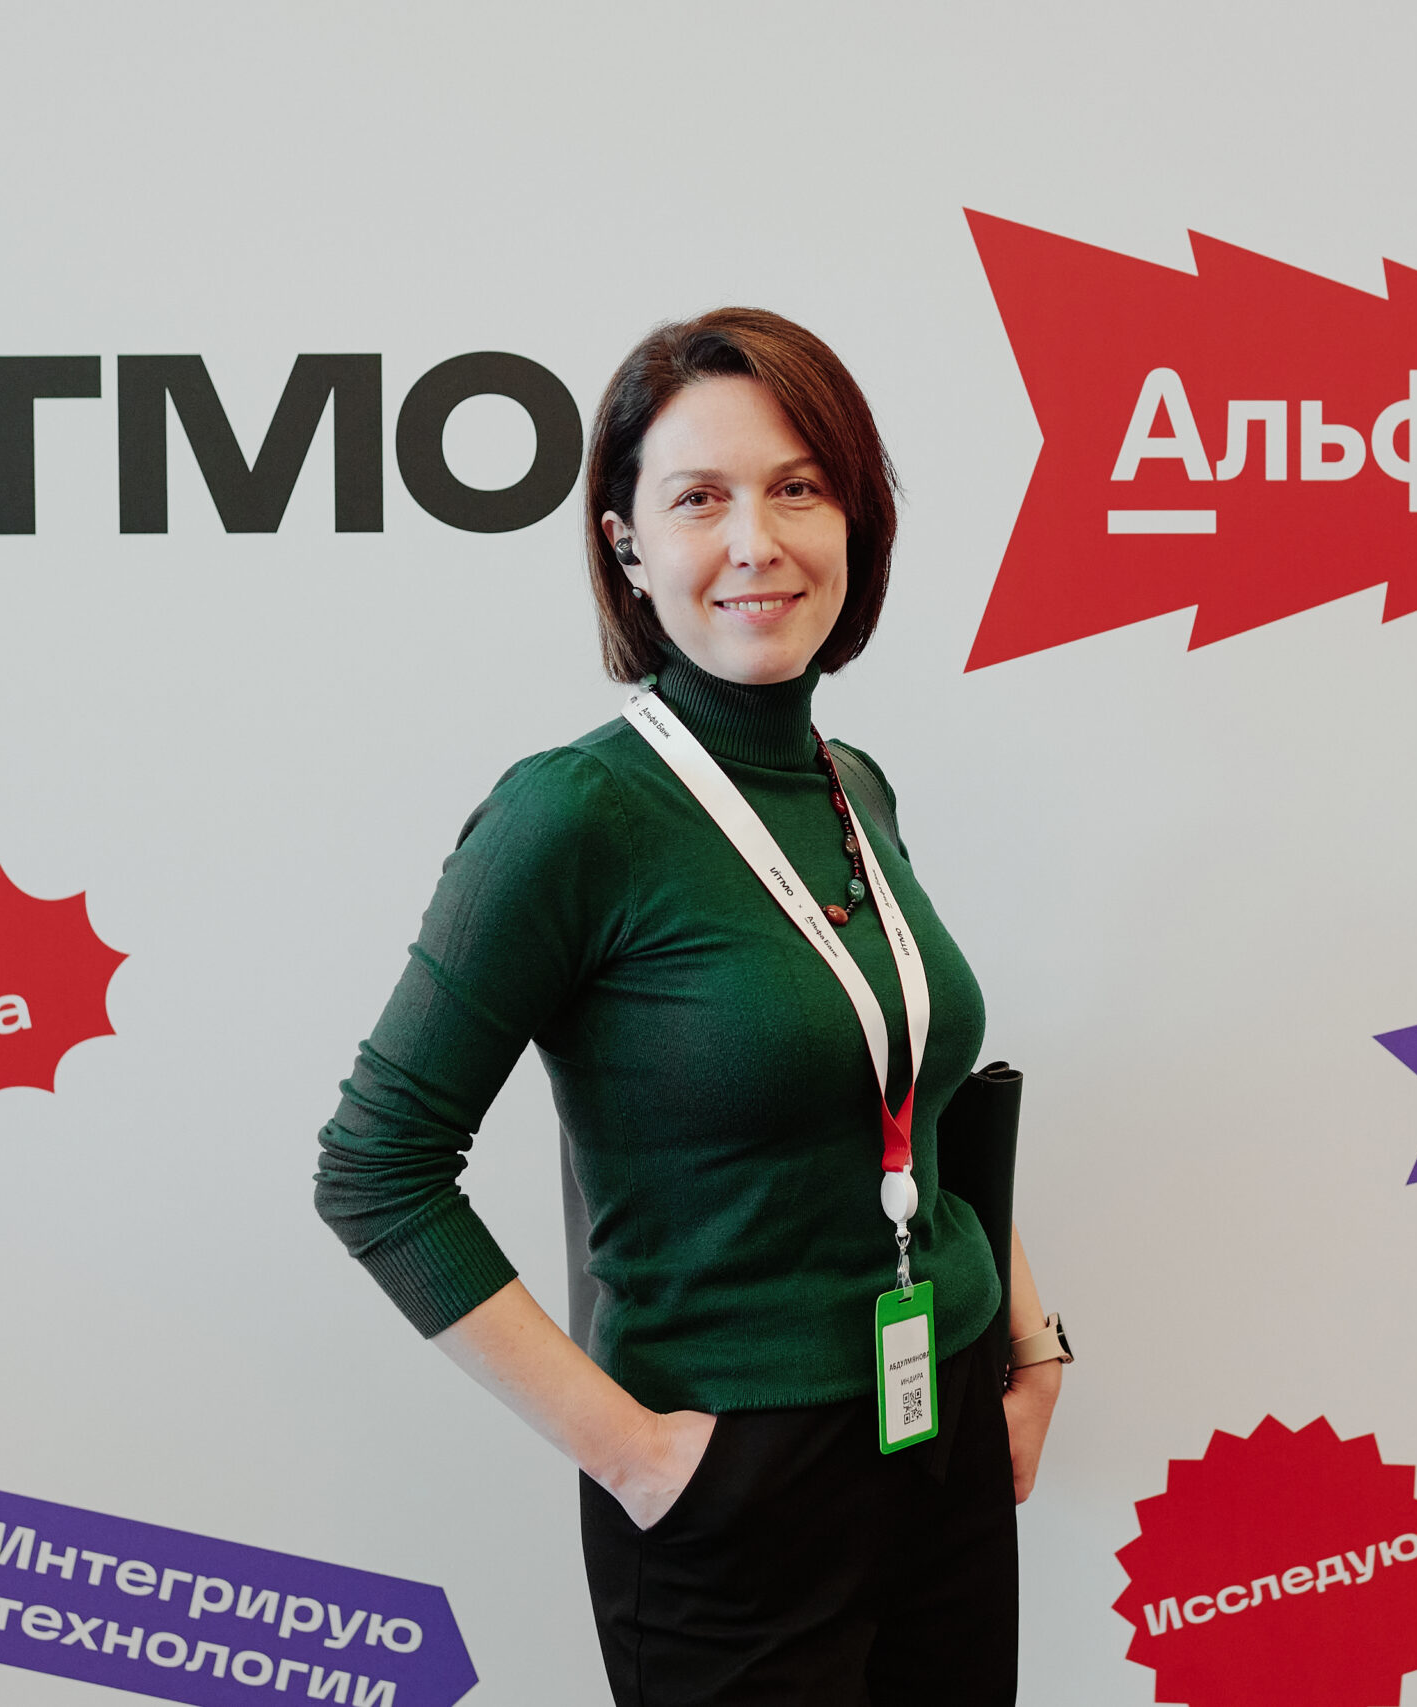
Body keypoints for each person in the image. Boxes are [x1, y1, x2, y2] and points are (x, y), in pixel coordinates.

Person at [314, 307, 1067, 1707]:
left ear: (857, 521)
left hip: (947, 1423)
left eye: (799, 487)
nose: (756, 541)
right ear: (627, 544)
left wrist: (1030, 1342)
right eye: (700, 498)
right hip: (734, 1482)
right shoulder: (571, 816)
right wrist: (638, 1458)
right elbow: (376, 1169)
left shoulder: (853, 783)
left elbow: (915, 1091)